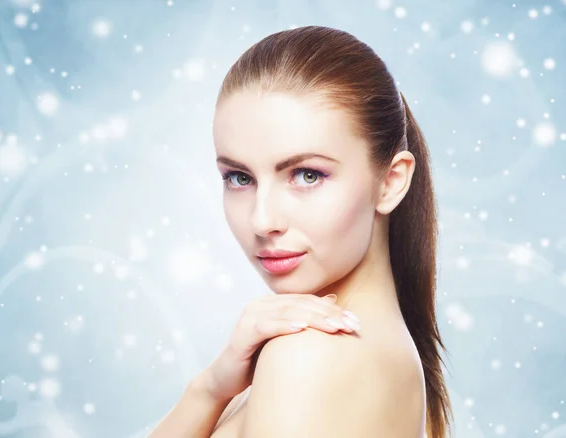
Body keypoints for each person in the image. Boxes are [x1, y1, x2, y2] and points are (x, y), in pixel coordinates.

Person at [148, 25, 453, 438]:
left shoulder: (307, 356)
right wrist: (209, 388)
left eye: (307, 175)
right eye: (239, 178)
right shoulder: (384, 353)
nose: (261, 220)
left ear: (391, 181)